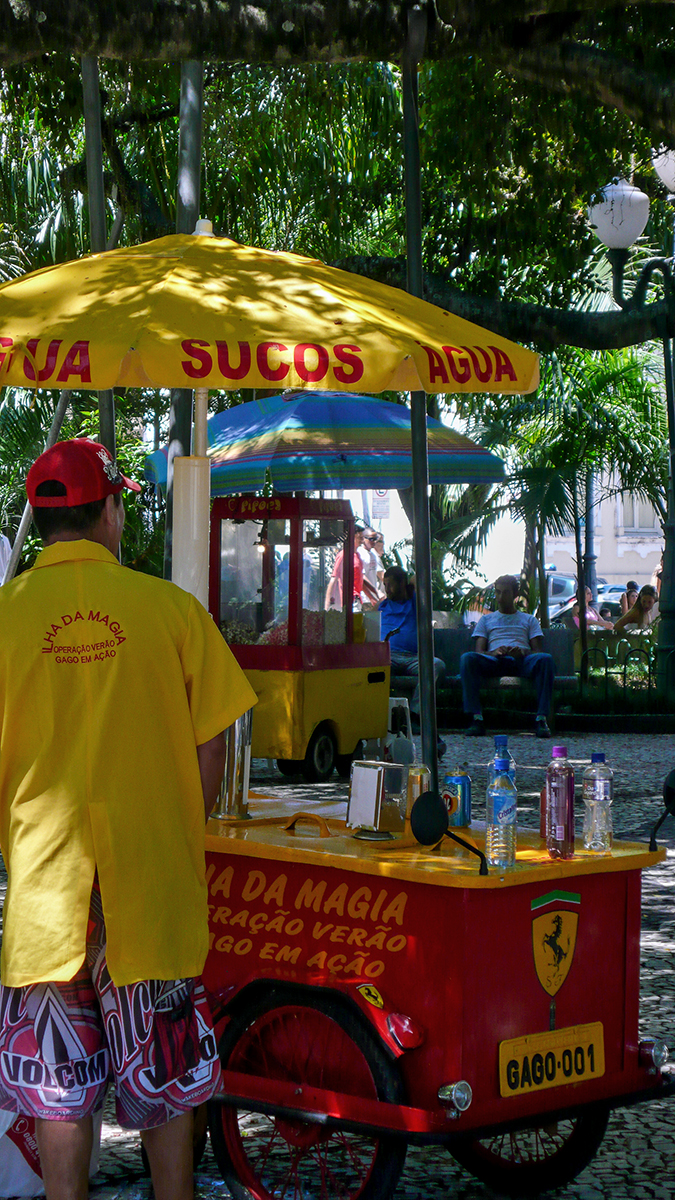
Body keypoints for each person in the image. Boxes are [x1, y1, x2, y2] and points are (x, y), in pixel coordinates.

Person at [0, 439, 258, 1200]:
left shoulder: (3, 618)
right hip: (152, 886)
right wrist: (179, 823)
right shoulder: (171, 610)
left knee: (59, 1089)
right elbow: (215, 739)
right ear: (111, 511)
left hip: (45, 893)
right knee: (167, 1081)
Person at [460, 574, 555, 738]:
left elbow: (538, 651)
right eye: (498, 592)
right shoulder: (486, 620)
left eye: (505, 593)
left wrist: (523, 652)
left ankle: (541, 719)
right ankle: (476, 718)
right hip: (495, 661)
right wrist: (494, 652)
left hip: (522, 662)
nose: (500, 597)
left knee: (546, 659)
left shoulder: (529, 620)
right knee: (467, 659)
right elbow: (479, 652)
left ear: (515, 595)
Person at [379, 566, 445, 754]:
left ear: (402, 583)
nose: (387, 590)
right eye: (385, 585)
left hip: (413, 658)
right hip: (388, 657)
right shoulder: (382, 606)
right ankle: (379, 720)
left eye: (391, 585)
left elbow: (420, 576)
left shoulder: (415, 602)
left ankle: (416, 715)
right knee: (372, 670)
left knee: (436, 665)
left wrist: (408, 586)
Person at [325, 525, 378, 610]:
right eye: (360, 538)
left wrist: (372, 597)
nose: (362, 541)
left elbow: (360, 580)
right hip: (349, 600)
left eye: (362, 538)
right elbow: (334, 579)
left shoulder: (358, 555)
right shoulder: (343, 555)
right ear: (352, 537)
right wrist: (328, 605)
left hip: (357, 599)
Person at [357, 527, 381, 607]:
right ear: (363, 539)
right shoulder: (360, 553)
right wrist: (373, 593)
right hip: (365, 598)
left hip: (374, 596)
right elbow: (361, 577)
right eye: (371, 539)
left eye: (376, 539)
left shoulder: (373, 554)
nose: (374, 542)